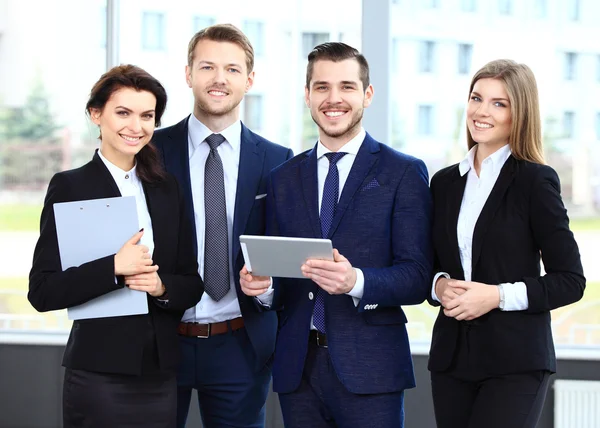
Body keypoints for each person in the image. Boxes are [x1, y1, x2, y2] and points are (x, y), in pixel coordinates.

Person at [241, 42, 433, 428]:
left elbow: (416, 277)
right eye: (322, 87)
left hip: (371, 371)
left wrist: (356, 281)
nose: (334, 99)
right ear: (308, 96)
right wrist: (263, 288)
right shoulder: (284, 177)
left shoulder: (403, 173)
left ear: (367, 94)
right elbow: (283, 274)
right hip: (299, 370)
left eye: (346, 86)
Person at [28, 64, 204, 427]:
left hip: (159, 374)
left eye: (146, 116)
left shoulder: (166, 188)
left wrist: (160, 286)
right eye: (122, 113)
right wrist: (113, 267)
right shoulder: (70, 187)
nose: (135, 126)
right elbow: (43, 292)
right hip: (98, 373)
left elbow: (191, 282)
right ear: (96, 114)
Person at [428, 59, 586, 428]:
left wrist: (496, 296)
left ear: (520, 114)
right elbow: (428, 263)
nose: (482, 111)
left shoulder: (535, 181)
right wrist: (439, 284)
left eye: (499, 103)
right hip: (452, 359)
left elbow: (570, 280)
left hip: (515, 361)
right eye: (477, 98)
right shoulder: (444, 183)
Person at [152, 24, 293, 428]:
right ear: (188, 74)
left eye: (232, 69)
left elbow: (286, 255)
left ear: (249, 80)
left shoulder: (277, 159)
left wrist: (268, 288)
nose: (219, 79)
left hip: (240, 342)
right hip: (161, 338)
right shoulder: (151, 152)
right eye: (207, 66)